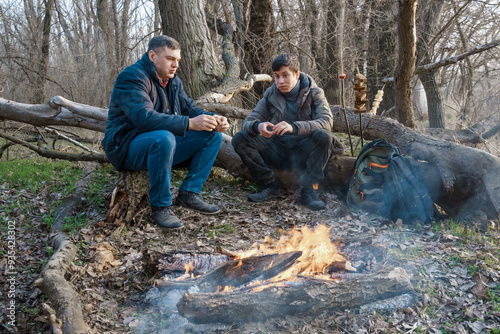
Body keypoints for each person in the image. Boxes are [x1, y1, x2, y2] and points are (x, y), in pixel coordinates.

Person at [103, 35, 229, 229]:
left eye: (177, 60)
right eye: (170, 59)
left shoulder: (172, 81)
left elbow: (190, 109)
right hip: (126, 147)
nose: (175, 65)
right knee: (163, 138)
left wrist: (214, 118)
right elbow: (143, 118)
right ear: (152, 55)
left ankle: (189, 194)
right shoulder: (132, 77)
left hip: (160, 145)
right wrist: (189, 123)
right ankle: (160, 207)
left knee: (212, 135)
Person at [232, 54, 334, 211]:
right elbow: (248, 122)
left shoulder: (315, 93)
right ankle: (269, 185)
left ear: (297, 75)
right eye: (277, 76)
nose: (280, 81)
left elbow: (326, 122)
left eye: (285, 75)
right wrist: (258, 126)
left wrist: (294, 127)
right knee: (240, 138)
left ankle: (309, 190)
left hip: (304, 151)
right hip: (277, 149)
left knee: (324, 136)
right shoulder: (270, 94)